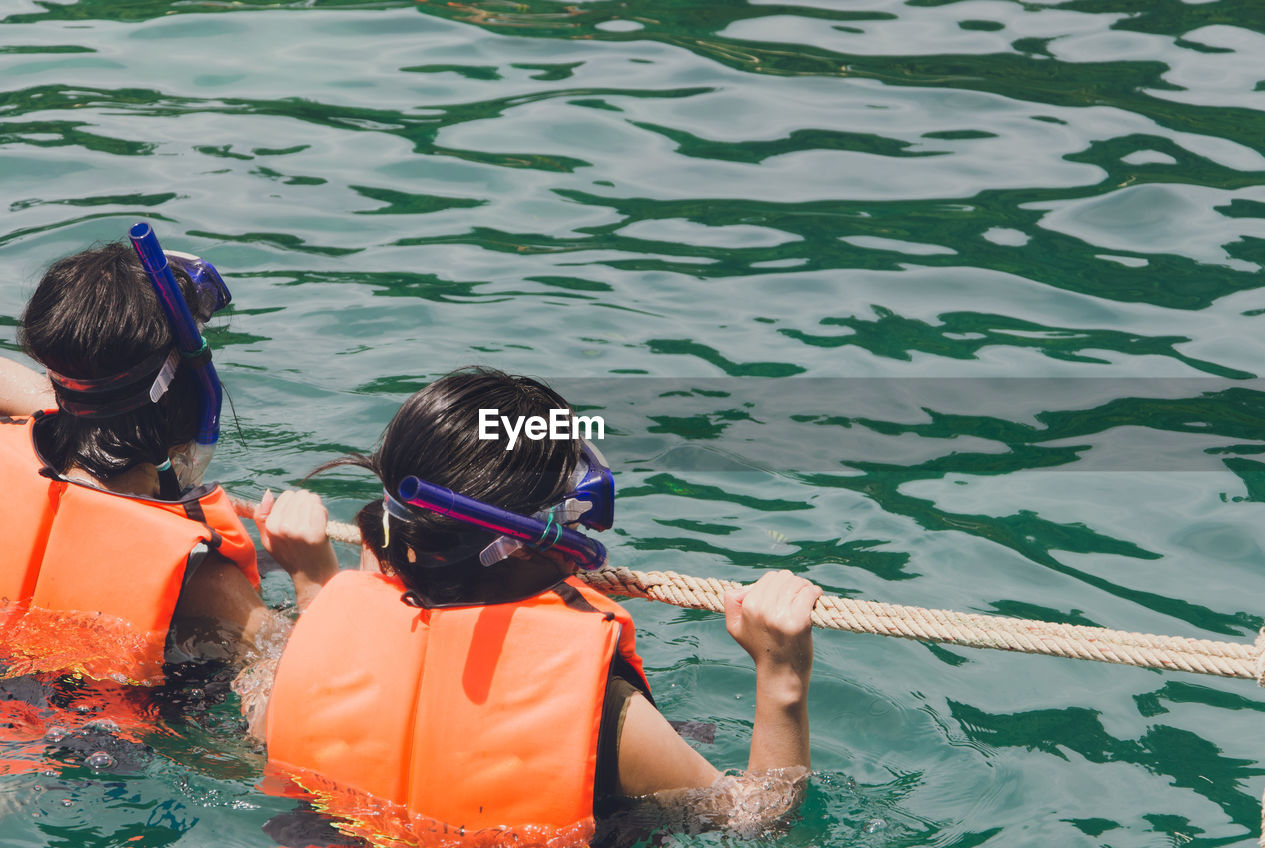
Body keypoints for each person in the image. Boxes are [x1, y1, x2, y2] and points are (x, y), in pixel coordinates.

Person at [251, 367, 823, 844]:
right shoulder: (610, 720)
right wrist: (781, 676)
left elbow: (265, 725)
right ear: (522, 543)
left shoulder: (307, 653)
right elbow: (759, 821)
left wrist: (313, 585)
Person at [0, 230, 337, 686]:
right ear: (190, 397)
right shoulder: (204, 581)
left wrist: (84, 404)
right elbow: (314, 698)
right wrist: (315, 579)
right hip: (94, 745)